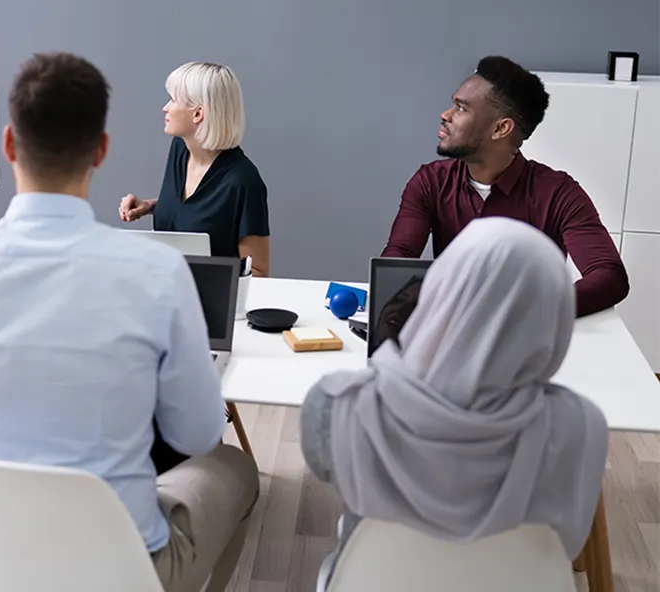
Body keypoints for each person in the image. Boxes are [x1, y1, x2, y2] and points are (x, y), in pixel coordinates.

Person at [0, 52, 259, 592]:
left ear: (10, 143)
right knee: (237, 469)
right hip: (118, 570)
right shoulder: (160, 273)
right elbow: (198, 431)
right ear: (101, 151)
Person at [302, 217, 609, 583]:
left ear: (437, 292)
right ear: (554, 316)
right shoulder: (582, 426)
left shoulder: (338, 405)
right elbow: (569, 545)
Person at [382, 55, 629, 317]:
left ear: (500, 128)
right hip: (452, 336)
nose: (446, 115)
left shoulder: (559, 194)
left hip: (529, 344)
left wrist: (531, 311)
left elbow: (609, 276)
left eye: (461, 108)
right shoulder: (430, 182)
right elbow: (399, 257)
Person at [119, 62, 270, 276]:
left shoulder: (243, 181)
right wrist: (150, 206)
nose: (165, 107)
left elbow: (258, 271)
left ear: (198, 113)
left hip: (210, 304)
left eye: (173, 100)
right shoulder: (181, 148)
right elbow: (201, 210)